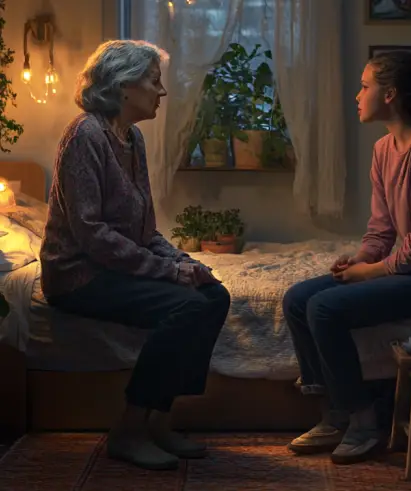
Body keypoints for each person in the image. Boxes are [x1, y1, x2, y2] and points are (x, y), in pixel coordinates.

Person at [282, 50, 411, 465]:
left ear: (390, 94)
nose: (358, 95)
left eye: (364, 86)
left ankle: (361, 420)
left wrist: (369, 274)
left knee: (325, 308)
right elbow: (382, 230)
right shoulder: (383, 149)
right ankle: (333, 414)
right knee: (296, 298)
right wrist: (357, 260)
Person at [40, 40, 230, 471]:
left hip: (113, 265)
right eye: (154, 81)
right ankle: (127, 429)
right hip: (79, 275)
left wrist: (184, 262)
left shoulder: (132, 138)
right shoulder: (84, 136)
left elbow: (144, 230)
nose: (161, 92)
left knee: (214, 294)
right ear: (124, 87)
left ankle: (160, 420)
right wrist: (168, 272)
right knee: (185, 307)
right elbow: (92, 235)